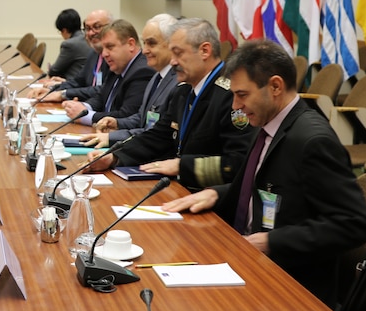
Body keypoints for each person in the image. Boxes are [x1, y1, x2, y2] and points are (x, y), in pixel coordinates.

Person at [163, 39, 366, 307]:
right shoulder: (266, 124)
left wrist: (271, 241)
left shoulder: (312, 141)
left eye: (242, 95)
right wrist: (216, 193)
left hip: (289, 285)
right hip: (244, 259)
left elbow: (353, 223)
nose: (235, 105)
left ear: (275, 87)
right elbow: (258, 187)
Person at [86, 18, 251, 189]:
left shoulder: (231, 94)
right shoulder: (183, 90)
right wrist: (115, 157)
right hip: (179, 188)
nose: (172, 62)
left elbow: (238, 161)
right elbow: (159, 136)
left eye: (178, 53)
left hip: (210, 196)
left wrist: (182, 166)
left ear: (205, 51)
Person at [83, 13, 179, 146]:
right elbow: (142, 117)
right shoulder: (158, 76)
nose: (145, 50)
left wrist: (112, 137)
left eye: (151, 43)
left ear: (171, 44)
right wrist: (117, 123)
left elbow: (157, 132)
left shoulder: (176, 81)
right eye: (145, 43)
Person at [62, 19, 154, 126]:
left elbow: (127, 115)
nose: (104, 54)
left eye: (110, 47)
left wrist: (86, 116)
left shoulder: (142, 71)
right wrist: (83, 107)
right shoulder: (118, 65)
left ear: (131, 44)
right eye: (103, 48)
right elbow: (101, 98)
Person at [30, 9, 113, 101]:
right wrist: (50, 90)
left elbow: (103, 90)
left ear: (111, 27)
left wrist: (63, 94)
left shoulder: (114, 57)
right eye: (87, 28)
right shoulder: (93, 53)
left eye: (97, 27)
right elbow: (78, 81)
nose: (91, 33)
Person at [46, 9, 88, 80]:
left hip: (71, 84)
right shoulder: (87, 38)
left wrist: (50, 69)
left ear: (64, 30)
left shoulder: (69, 44)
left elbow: (54, 71)